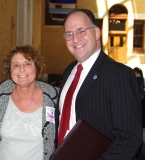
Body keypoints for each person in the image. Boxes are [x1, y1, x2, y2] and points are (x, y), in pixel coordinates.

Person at [55, 9, 143, 159]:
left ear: (96, 33)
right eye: (69, 34)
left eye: (81, 31)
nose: (75, 39)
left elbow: (129, 139)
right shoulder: (69, 71)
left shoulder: (118, 74)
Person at [0, 45, 58, 160]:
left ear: (37, 68)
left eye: (27, 63)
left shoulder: (55, 100)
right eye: (16, 65)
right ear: (10, 70)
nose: (21, 69)